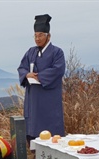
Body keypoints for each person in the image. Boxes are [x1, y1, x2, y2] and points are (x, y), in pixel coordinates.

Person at [17, 14, 66, 143]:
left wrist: (39, 76)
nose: (37, 39)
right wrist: (27, 75)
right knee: (32, 123)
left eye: (40, 35)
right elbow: (22, 68)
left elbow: (58, 70)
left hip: (49, 96)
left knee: (50, 123)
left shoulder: (57, 52)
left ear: (48, 36)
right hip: (33, 96)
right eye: (35, 36)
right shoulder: (30, 52)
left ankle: (52, 150)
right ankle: (33, 152)